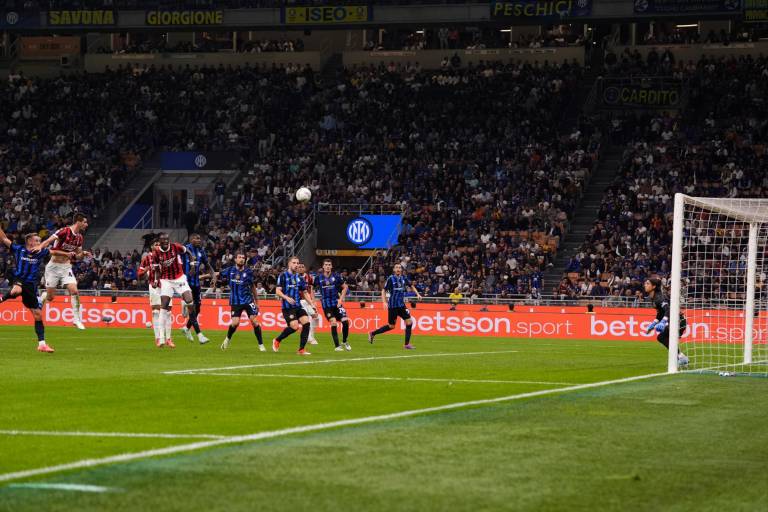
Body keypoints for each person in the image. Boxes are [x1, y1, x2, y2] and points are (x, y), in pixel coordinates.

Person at [0, 227, 54, 352]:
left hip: (31, 286)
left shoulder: (42, 251)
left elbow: (55, 252)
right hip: (19, 279)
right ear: (30, 241)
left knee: (38, 315)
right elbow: (3, 238)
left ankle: (42, 344)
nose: (39, 242)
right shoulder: (19, 249)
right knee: (16, 290)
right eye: (37, 240)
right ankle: (2, 298)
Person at [36, 213, 90, 329]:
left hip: (66, 267)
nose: (86, 224)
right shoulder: (64, 231)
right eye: (85, 222)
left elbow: (77, 255)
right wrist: (39, 247)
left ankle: (76, 320)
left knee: (74, 290)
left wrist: (83, 254)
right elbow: (50, 248)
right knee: (50, 297)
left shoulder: (79, 237)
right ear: (78, 222)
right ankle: (43, 296)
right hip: (53, 267)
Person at [150, 233, 198, 349]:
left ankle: (185, 305)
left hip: (179, 278)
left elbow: (188, 252)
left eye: (167, 239)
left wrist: (192, 266)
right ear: (160, 242)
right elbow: (157, 269)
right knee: (163, 307)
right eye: (163, 240)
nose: (166, 241)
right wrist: (156, 280)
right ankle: (162, 339)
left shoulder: (175, 247)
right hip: (166, 280)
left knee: (189, 300)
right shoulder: (156, 253)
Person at [369, 263, 422, 349]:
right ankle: (372, 333)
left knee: (409, 322)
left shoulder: (404, 278)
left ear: (401, 270)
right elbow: (383, 290)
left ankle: (406, 345)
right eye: (396, 267)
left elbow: (411, 285)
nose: (398, 269)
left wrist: (418, 294)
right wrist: (384, 302)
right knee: (391, 326)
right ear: (394, 269)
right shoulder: (390, 278)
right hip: (393, 306)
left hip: (401, 305)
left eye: (399, 267)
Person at [220, 252, 264, 351]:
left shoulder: (248, 272)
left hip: (248, 300)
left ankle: (261, 345)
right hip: (235, 301)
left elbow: (252, 286)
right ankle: (227, 339)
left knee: (255, 321)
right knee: (235, 323)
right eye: (239, 257)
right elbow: (219, 274)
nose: (241, 259)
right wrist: (205, 276)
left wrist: (257, 301)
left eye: (243, 257)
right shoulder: (230, 270)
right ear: (235, 259)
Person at [272, 256, 314, 355]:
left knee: (306, 323)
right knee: (295, 327)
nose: (296, 265)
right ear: (289, 264)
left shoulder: (299, 278)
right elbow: (277, 291)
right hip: (287, 307)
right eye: (294, 263)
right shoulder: (283, 276)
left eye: (297, 263)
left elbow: (305, 292)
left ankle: (301, 350)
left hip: (298, 306)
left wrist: (312, 304)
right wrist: (286, 297)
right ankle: (277, 340)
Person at [644, 278, 689, 366]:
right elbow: (660, 313)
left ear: (654, 286)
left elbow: (668, 309)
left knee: (663, 337)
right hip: (674, 321)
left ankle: (681, 358)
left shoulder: (659, 298)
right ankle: (681, 357)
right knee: (662, 337)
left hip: (679, 321)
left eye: (647, 283)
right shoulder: (653, 297)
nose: (645, 285)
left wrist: (663, 322)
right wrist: (654, 324)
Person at [138, 240, 171, 347]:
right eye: (156, 244)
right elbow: (139, 274)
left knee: (168, 313)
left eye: (159, 244)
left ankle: (168, 338)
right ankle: (158, 338)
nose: (158, 246)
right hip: (154, 287)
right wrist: (146, 270)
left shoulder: (167, 256)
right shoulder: (147, 258)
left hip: (166, 285)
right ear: (152, 246)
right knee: (156, 312)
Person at [180, 233, 211, 345]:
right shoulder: (185, 250)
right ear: (191, 239)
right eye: (197, 238)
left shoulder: (201, 251)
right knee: (192, 309)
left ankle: (186, 328)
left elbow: (207, 265)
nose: (199, 240)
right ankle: (200, 335)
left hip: (196, 284)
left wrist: (214, 275)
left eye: (200, 238)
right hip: (185, 283)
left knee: (198, 309)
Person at [315, 258, 351, 352]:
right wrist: (312, 300)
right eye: (326, 265)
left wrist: (341, 299)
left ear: (331, 266)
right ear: (323, 266)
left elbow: (345, 287)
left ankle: (344, 341)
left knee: (345, 321)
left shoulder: (337, 276)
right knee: (333, 322)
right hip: (326, 305)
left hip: (337, 303)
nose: (327, 266)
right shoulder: (318, 278)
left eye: (329, 265)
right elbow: (311, 287)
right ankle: (337, 346)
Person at [297, 262, 319, 345]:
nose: (301, 268)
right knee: (307, 319)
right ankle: (309, 338)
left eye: (302, 267)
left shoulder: (309, 277)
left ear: (305, 268)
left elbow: (311, 289)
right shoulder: (295, 277)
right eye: (299, 267)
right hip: (299, 301)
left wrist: (313, 300)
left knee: (316, 317)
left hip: (308, 300)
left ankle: (311, 335)